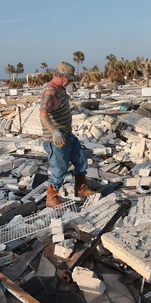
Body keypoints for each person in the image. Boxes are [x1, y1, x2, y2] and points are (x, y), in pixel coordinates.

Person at [39, 62, 95, 207]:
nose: (69, 82)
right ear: (59, 76)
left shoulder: (61, 89)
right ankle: (51, 197)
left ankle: (80, 188)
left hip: (67, 134)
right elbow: (43, 114)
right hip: (55, 139)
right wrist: (54, 131)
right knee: (59, 168)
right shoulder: (50, 92)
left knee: (80, 159)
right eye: (68, 79)